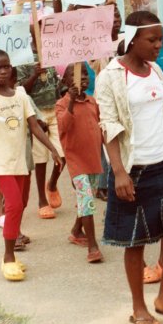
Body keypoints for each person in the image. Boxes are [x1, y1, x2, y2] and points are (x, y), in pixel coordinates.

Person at [97, 11, 163, 324]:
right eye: (151, 39)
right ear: (133, 39)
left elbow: (150, 108)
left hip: (162, 165)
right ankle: (138, 306)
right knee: (135, 242)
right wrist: (119, 172)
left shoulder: (155, 70)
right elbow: (110, 125)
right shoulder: (111, 76)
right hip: (133, 169)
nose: (158, 45)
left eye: (159, 39)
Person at [0, 50, 62, 281]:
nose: (3, 71)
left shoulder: (21, 95)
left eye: (6, 67)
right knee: (13, 204)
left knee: (21, 204)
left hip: (18, 160)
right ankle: (8, 256)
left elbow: (33, 125)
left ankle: (12, 247)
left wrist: (53, 148)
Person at [55, 64, 103, 264]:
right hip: (77, 162)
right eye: (76, 76)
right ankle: (93, 246)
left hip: (94, 159)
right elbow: (64, 126)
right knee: (87, 201)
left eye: (85, 75)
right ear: (66, 82)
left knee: (87, 201)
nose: (82, 78)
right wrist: (72, 102)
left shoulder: (93, 102)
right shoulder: (61, 104)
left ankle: (76, 230)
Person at [16, 32, 66, 220]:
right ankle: (42, 201)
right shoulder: (23, 59)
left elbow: (58, 85)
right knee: (40, 157)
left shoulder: (52, 55)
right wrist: (35, 74)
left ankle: (52, 184)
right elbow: (22, 89)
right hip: (35, 114)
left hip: (54, 109)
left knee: (62, 153)